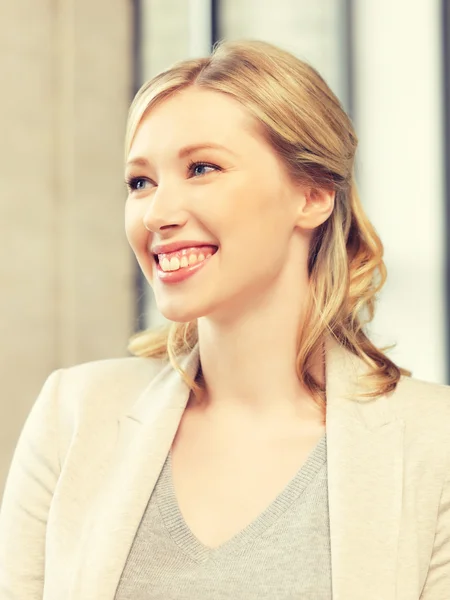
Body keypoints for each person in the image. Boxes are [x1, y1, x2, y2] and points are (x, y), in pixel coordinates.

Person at [0, 38, 449, 600]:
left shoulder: (436, 445)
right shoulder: (73, 417)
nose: (158, 214)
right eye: (141, 182)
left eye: (202, 168)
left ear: (312, 195)